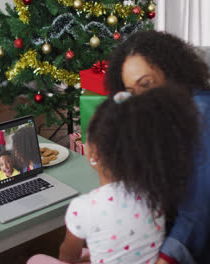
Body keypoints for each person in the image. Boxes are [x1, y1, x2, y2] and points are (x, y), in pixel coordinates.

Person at [105, 30, 210, 264]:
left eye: (146, 84)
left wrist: (164, 259)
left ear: (170, 72)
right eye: (132, 92)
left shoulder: (200, 115)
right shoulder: (177, 106)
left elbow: (197, 212)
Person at [27, 85, 200, 264]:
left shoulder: (83, 207)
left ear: (93, 153)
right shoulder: (156, 194)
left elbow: (68, 256)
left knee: (36, 259)